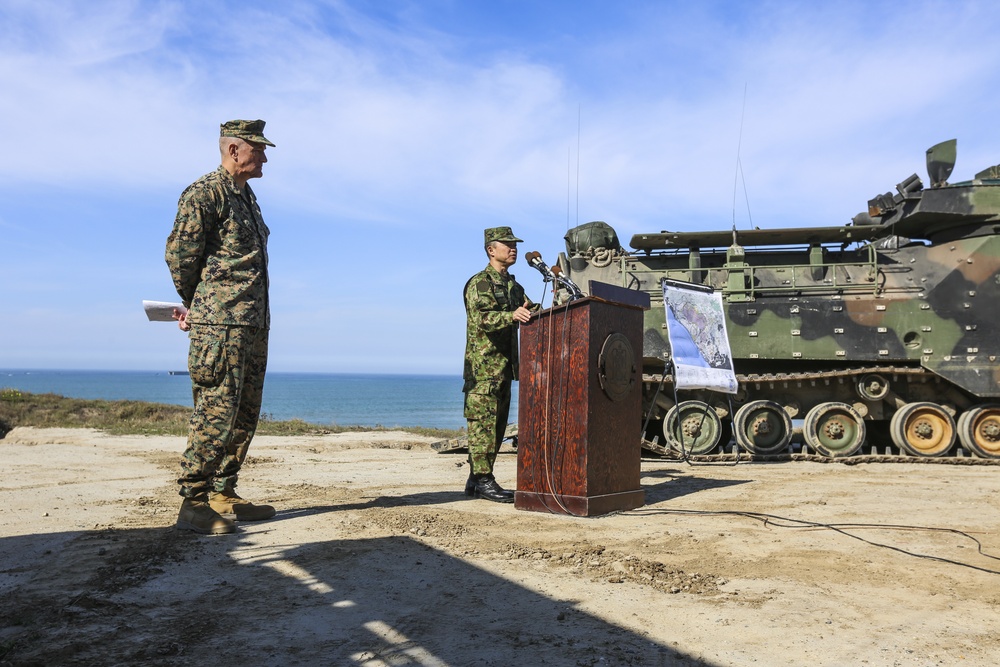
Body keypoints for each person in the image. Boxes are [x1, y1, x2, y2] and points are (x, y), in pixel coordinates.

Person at [164, 119, 277, 534]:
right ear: (233, 150)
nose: (264, 156)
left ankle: (223, 491)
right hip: (221, 324)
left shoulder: (247, 198)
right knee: (216, 412)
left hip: (252, 322)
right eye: (258, 149)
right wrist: (199, 304)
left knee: (245, 413)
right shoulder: (204, 192)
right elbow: (180, 256)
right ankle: (193, 500)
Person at [463, 226, 538, 502]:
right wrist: (512, 315)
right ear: (491, 250)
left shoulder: (513, 287)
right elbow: (482, 318)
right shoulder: (479, 283)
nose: (513, 248)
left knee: (496, 427)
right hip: (484, 370)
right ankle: (483, 480)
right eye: (507, 244)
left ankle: (475, 480)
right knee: (482, 425)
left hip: (505, 369)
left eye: (514, 244)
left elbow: (527, 310)